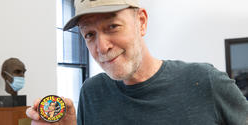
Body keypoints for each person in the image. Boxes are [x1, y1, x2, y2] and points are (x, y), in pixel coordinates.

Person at [26, 0, 248, 124]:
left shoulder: (205, 82)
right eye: (89, 35)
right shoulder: (92, 93)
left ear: (141, 22)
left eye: (112, 26)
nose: (102, 47)